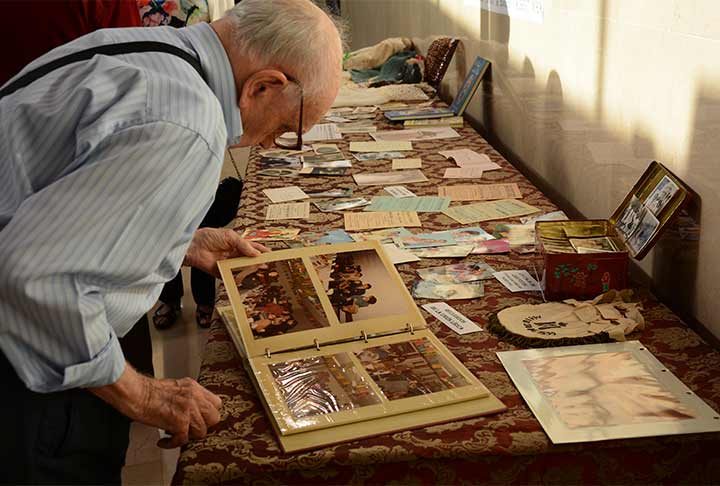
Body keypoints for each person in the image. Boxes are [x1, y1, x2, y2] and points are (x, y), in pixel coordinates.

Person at [0, 0, 344, 482]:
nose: (270, 144)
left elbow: (63, 199)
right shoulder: (188, 125)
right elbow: (36, 277)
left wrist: (179, 241)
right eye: (287, 129)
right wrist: (142, 395)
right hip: (23, 369)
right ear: (264, 85)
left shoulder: (154, 48)